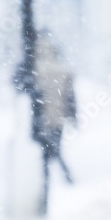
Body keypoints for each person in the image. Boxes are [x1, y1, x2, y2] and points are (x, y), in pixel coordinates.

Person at [34, 31, 77, 190]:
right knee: (57, 151)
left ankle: (45, 183)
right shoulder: (63, 70)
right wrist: (73, 117)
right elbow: (70, 97)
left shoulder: (35, 69)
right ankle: (67, 177)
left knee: (45, 154)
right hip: (57, 118)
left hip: (40, 119)